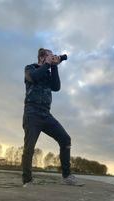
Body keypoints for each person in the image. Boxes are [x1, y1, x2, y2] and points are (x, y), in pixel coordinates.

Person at [22, 48, 78, 187]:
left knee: (65, 139)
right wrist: (47, 64)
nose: (52, 56)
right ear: (41, 57)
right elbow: (34, 77)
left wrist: (54, 67)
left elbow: (56, 87)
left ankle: (66, 176)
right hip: (32, 112)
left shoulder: (48, 72)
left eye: (53, 55)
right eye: (49, 55)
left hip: (46, 113)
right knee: (29, 147)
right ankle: (27, 181)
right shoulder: (30, 69)